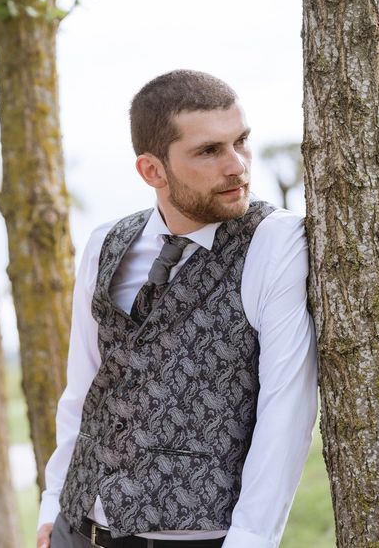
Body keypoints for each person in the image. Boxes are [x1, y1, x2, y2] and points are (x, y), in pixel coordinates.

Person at [36, 70, 318, 548]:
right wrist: (53, 504)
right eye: (209, 151)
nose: (238, 166)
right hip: (76, 528)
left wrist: (251, 541)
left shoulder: (275, 241)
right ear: (152, 171)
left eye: (241, 141)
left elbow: (286, 410)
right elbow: (83, 389)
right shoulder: (105, 243)